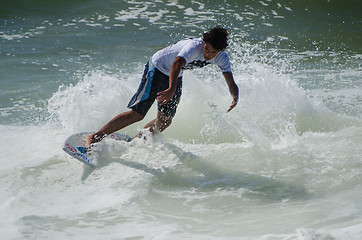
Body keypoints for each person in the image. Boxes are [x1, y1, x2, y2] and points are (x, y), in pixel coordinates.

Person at [86, 26, 239, 146]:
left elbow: (230, 81)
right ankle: (95, 137)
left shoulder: (221, 58)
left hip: (174, 74)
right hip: (157, 66)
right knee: (137, 114)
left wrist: (234, 95)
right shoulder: (194, 46)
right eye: (206, 49)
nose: (207, 54)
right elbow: (177, 63)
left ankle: (133, 143)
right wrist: (171, 89)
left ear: (220, 51)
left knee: (165, 120)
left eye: (213, 53)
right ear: (204, 43)